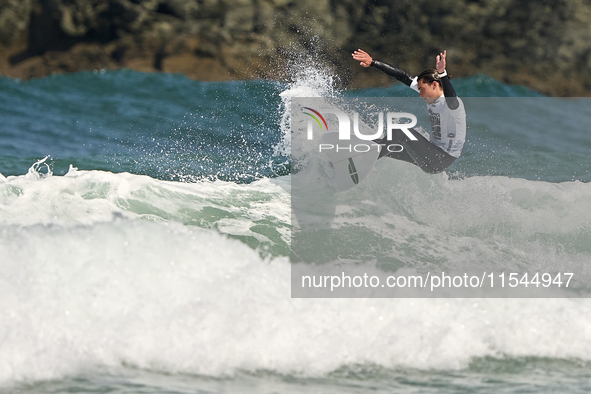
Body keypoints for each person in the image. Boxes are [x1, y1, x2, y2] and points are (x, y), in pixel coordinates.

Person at [352, 49, 466, 174]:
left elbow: (451, 98)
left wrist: (442, 73)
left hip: (440, 159)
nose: (420, 94)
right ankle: (344, 158)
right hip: (430, 152)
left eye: (422, 89)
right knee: (376, 143)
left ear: (434, 84)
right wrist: (373, 62)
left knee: (400, 131)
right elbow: (402, 76)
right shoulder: (431, 96)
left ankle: (363, 164)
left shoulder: (451, 104)